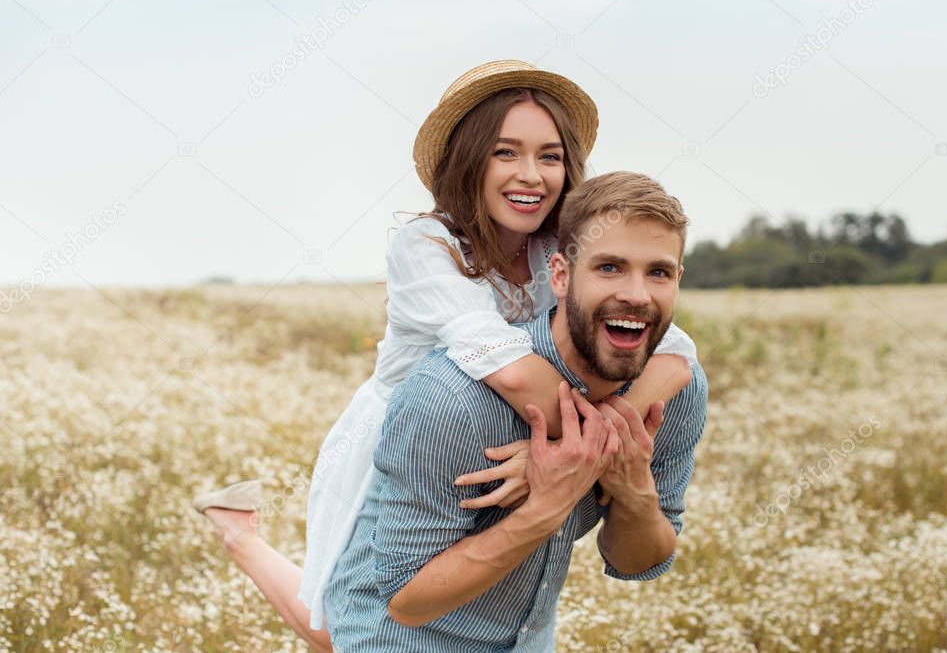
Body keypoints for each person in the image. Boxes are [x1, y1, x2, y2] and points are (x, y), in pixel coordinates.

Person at [191, 61, 698, 652]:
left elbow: (675, 352)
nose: (530, 175)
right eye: (506, 153)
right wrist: (582, 450)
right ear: (471, 158)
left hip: (522, 419)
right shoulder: (429, 246)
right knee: (351, 617)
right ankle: (239, 535)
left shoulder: (560, 249)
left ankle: (238, 531)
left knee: (367, 618)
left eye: (550, 156)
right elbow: (509, 369)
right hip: (407, 431)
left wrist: (586, 443)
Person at [324, 170, 708, 651]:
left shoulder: (674, 393)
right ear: (561, 276)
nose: (637, 294)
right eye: (609, 267)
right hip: (400, 640)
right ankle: (239, 534)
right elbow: (405, 602)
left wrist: (635, 493)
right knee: (323, 607)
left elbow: (640, 562)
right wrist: (547, 507)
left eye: (658, 272)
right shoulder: (451, 398)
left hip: (526, 640)